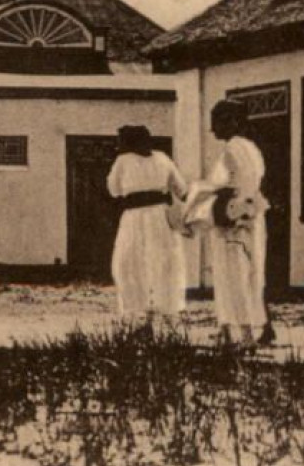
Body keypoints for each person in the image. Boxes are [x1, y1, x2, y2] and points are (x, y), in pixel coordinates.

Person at [202, 99, 272, 348]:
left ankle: (243, 333)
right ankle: (237, 329)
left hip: (232, 217)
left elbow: (226, 185)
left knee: (233, 275)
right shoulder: (252, 148)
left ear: (232, 121)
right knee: (252, 275)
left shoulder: (231, 149)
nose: (213, 129)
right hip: (252, 215)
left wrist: (214, 200)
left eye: (217, 122)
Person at [106, 124, 189, 323]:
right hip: (160, 217)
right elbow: (181, 189)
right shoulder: (163, 158)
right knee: (164, 261)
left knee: (130, 262)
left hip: (135, 217)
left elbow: (113, 189)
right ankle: (168, 310)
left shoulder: (123, 161)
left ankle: (136, 311)